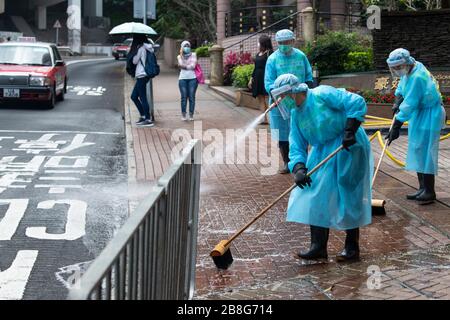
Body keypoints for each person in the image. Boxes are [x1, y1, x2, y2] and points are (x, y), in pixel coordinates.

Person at [272, 74, 373, 262]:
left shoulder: (322, 94)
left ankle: (352, 247)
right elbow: (297, 143)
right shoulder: (296, 114)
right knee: (314, 194)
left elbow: (356, 102)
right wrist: (299, 167)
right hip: (322, 151)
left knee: (348, 192)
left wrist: (350, 130)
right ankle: (318, 247)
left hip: (348, 145)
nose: (281, 102)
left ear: (293, 92)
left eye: (282, 97)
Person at [386, 49, 446, 205]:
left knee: (426, 151)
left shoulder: (418, 76)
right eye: (395, 68)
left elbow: (411, 103)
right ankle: (422, 188)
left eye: (399, 67)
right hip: (420, 114)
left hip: (430, 114)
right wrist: (397, 100)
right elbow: (402, 87)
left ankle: (430, 191)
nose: (397, 71)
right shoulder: (412, 68)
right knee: (418, 148)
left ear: (406, 62)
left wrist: (397, 125)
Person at [265, 29, 313, 174]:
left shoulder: (301, 56)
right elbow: (268, 83)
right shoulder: (272, 59)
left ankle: (301, 162)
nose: (284, 45)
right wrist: (282, 90)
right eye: (281, 43)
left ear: (292, 41)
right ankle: (287, 162)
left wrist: (305, 91)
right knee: (282, 134)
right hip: (280, 102)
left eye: (286, 42)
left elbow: (309, 77)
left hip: (299, 100)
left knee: (301, 131)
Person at [130, 34, 154, 127]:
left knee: (142, 97)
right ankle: (143, 115)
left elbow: (134, 61)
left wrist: (133, 53)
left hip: (141, 74)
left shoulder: (141, 49)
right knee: (134, 96)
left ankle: (147, 119)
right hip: (144, 75)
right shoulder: (148, 48)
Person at [249, 35, 273, 125]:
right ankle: (264, 119)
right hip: (257, 78)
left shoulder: (270, 53)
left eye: (259, 42)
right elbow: (255, 68)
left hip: (266, 77)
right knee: (260, 98)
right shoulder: (258, 54)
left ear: (263, 43)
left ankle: (271, 118)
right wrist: (251, 79)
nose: (258, 44)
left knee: (268, 98)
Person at [177, 40, 199, 121]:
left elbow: (193, 66)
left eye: (188, 46)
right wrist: (186, 64)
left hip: (193, 79)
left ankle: (191, 115)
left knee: (192, 97)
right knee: (183, 97)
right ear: (182, 47)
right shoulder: (179, 56)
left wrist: (184, 66)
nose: (187, 48)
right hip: (182, 79)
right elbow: (180, 64)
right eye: (185, 46)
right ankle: (183, 115)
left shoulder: (194, 54)